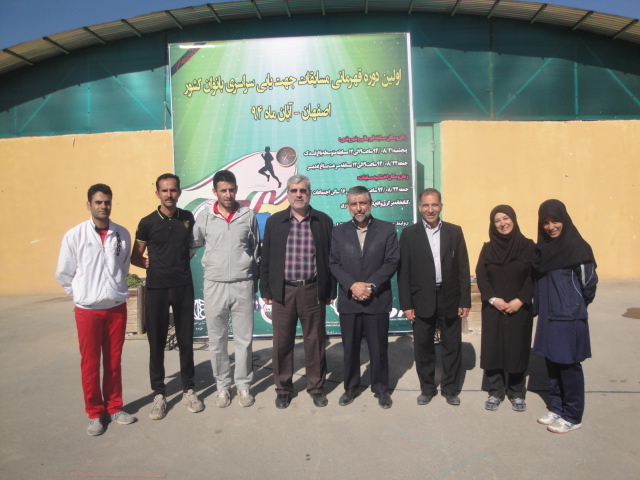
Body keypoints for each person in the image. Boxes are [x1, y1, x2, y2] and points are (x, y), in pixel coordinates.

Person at [56, 184, 136, 436]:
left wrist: (113, 289)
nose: (103, 206)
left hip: (115, 307)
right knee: (90, 363)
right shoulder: (75, 235)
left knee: (113, 361)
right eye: (98, 202)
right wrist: (81, 294)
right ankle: (94, 413)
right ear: (89, 204)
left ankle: (114, 407)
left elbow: (122, 268)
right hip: (88, 310)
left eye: (107, 202)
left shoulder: (121, 234)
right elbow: (64, 273)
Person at [260, 174, 336, 409]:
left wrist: (330, 289)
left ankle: (316, 387)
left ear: (309, 193)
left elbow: (331, 259)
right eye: (294, 190)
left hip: (313, 290)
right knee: (282, 342)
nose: (298, 194)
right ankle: (283, 389)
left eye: (303, 190)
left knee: (315, 341)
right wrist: (265, 288)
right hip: (283, 291)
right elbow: (265, 257)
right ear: (288, 194)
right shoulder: (275, 222)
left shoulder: (323, 221)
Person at [131, 173, 204, 420]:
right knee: (157, 343)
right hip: (157, 289)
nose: (169, 194)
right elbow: (136, 255)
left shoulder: (187, 218)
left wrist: (177, 264)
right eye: (164, 190)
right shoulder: (147, 222)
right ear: (157, 193)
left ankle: (189, 389)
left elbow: (190, 248)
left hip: (183, 286)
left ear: (179, 192)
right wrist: (150, 265)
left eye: (173, 190)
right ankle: (159, 394)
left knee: (186, 341)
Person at [192, 170, 260, 408]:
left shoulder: (247, 215)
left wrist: (254, 279)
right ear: (215, 192)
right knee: (217, 339)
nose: (228, 194)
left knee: (244, 339)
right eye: (223, 190)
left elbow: (255, 249)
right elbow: (193, 244)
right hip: (215, 285)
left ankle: (243, 385)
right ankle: (222, 387)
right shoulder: (205, 217)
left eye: (231, 189)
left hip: (242, 283)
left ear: (236, 189)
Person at [398, 188, 471, 406]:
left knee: (452, 346)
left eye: (434, 205)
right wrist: (407, 304)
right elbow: (404, 272)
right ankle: (427, 388)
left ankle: (450, 389)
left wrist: (465, 300)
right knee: (423, 347)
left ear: (441, 206)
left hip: (449, 297)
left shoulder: (454, 232)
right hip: (421, 299)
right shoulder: (409, 234)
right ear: (420, 207)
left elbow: (463, 268)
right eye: (426, 205)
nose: (430, 210)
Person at [329, 186, 399, 409]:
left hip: (376, 299)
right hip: (349, 300)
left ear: (370, 204)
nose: (359, 208)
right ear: (348, 207)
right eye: (354, 204)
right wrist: (352, 285)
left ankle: (381, 389)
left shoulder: (386, 229)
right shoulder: (338, 232)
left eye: (363, 203)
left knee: (378, 349)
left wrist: (370, 286)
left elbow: (392, 261)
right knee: (350, 348)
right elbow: (334, 264)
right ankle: (351, 387)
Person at [532, 199, 597, 434]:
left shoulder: (578, 248)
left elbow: (589, 284)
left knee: (568, 366)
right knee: (552, 362)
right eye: (546, 223)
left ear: (564, 220)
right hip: (549, 316)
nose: (551, 227)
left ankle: (573, 415)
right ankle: (557, 408)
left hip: (569, 316)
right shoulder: (543, 250)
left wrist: (574, 304)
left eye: (555, 221)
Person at [476, 205, 535, 412]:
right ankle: (495, 391)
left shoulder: (528, 246)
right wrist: (493, 299)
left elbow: (533, 276)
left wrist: (521, 300)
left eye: (506, 218)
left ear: (513, 219)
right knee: (494, 348)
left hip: (520, 308)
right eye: (497, 220)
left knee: (518, 348)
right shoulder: (488, 248)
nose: (502, 223)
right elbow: (481, 276)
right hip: (494, 308)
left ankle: (517, 392)